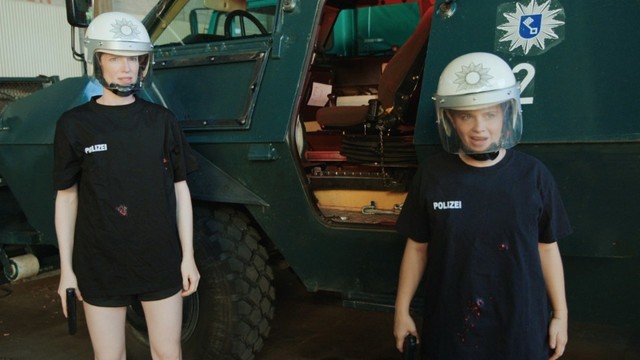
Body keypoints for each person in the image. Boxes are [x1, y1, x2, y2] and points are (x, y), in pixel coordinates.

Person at [393, 52, 571, 359]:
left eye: (490, 114)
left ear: (506, 115)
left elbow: (547, 248)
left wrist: (560, 314)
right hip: (451, 325)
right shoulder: (433, 175)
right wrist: (401, 310)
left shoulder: (533, 175)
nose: (479, 127)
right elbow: (418, 248)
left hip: (521, 325)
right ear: (449, 118)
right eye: (466, 116)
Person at [53, 12, 200, 359]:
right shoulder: (74, 126)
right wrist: (66, 271)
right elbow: (66, 198)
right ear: (98, 61)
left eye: (133, 58)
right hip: (100, 263)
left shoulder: (161, 121)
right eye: (115, 57)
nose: (126, 68)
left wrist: (188, 257)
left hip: (159, 259)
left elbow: (181, 190)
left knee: (167, 352)